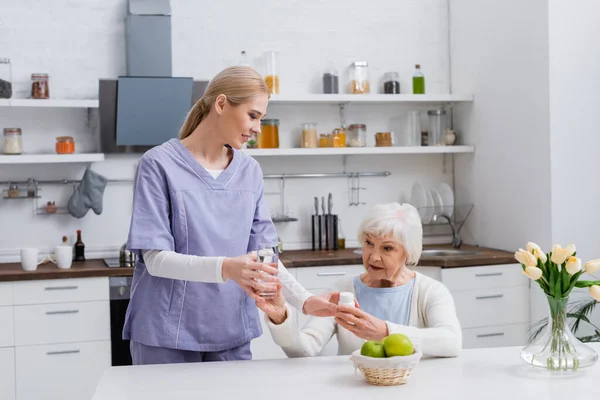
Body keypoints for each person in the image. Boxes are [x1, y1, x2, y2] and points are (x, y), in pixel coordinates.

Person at [123, 66, 340, 365]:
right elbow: (156, 259)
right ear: (221, 104)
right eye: (253, 115)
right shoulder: (158, 164)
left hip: (230, 331)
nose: (257, 128)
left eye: (261, 119)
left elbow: (265, 259)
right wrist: (227, 267)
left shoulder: (250, 172)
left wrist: (304, 301)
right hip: (165, 334)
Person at [257, 203, 462, 358]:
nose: (373, 257)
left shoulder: (431, 291)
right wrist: (281, 318)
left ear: (408, 253)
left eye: (387, 248)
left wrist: (384, 332)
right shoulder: (343, 291)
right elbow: (304, 349)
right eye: (369, 243)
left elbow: (452, 342)